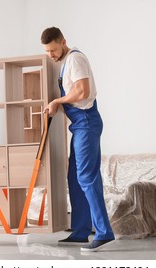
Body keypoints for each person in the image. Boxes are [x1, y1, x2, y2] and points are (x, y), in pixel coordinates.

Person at [41, 27, 115, 252]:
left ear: (63, 42)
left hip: (86, 121)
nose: (51, 55)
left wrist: (57, 101)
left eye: (53, 49)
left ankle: (103, 232)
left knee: (86, 176)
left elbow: (83, 91)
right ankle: (81, 230)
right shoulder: (64, 63)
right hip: (79, 125)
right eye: (47, 51)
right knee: (74, 176)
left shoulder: (75, 59)